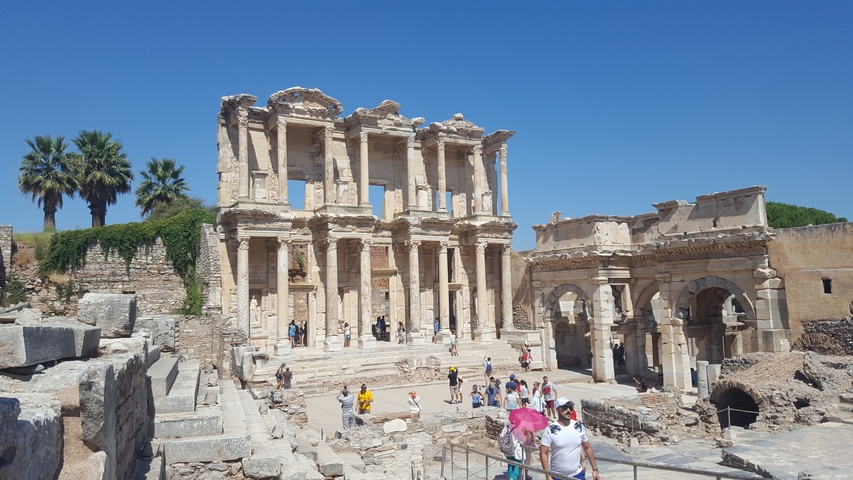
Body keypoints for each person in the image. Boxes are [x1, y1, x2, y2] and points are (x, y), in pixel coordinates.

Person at [539, 397, 600, 480]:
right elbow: (543, 453)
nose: (568, 410)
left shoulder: (578, 426)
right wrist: (547, 475)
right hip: (558, 476)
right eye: (564, 408)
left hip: (577, 474)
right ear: (557, 410)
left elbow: (587, 447)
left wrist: (595, 469)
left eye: (570, 408)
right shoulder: (550, 429)